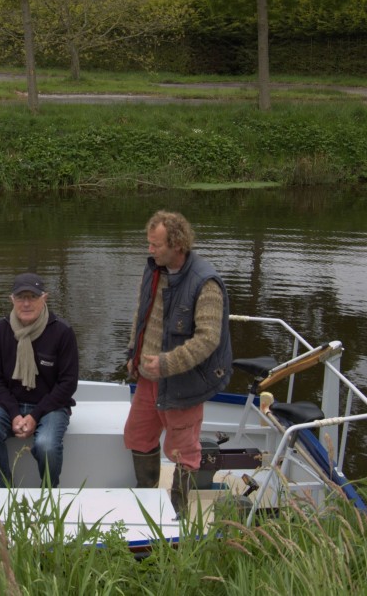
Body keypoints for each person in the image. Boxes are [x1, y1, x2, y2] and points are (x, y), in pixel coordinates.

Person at [123, 210, 233, 515]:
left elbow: (209, 339)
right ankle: (146, 499)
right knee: (137, 436)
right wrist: (133, 353)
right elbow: (140, 314)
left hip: (184, 383)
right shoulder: (152, 270)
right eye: (150, 243)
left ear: (177, 245)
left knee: (183, 452)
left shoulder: (206, 283)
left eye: (155, 245)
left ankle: (178, 511)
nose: (150, 250)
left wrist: (167, 364)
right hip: (149, 378)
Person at [0, 272, 79, 488]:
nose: (27, 303)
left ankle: (48, 494)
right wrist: (14, 414)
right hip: (10, 405)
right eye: (21, 297)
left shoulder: (62, 332)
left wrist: (35, 415)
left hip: (51, 407)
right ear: (12, 299)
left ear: (44, 298)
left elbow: (68, 383)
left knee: (46, 445)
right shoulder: (1, 330)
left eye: (33, 296)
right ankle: (2, 493)